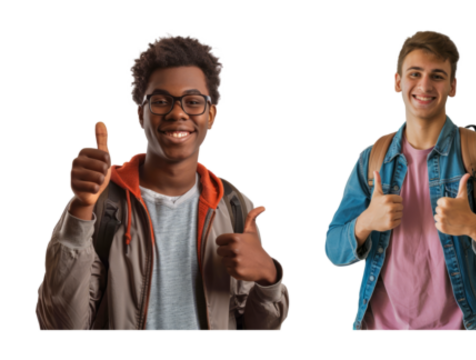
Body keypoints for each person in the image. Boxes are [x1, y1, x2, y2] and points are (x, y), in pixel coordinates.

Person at [35, 29, 292, 332]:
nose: (177, 113)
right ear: (140, 114)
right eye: (161, 101)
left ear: (212, 115)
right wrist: (81, 208)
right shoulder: (101, 203)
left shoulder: (233, 206)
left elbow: (258, 327)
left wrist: (269, 277)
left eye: (193, 101)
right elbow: (60, 326)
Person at [322, 29, 476, 332]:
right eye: (415, 73)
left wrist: (474, 226)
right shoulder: (372, 159)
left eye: (437, 76)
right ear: (396, 81)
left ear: (453, 86)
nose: (424, 85)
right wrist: (365, 222)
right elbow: (332, 249)